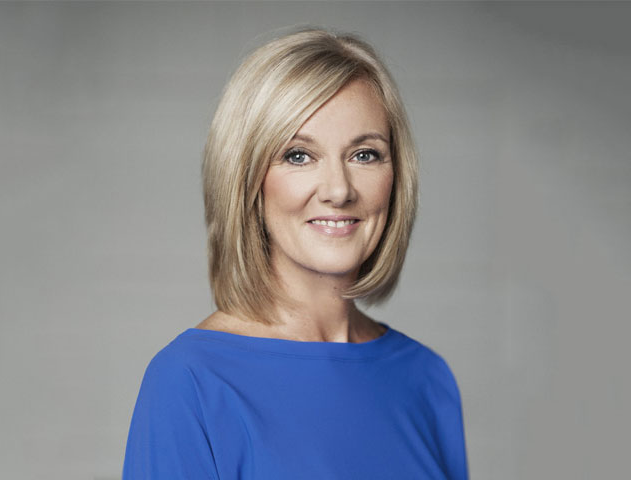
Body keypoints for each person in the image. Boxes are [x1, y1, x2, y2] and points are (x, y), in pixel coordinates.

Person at [122, 28, 468, 480]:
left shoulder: (426, 379)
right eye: (299, 156)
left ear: (396, 175)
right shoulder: (191, 380)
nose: (339, 190)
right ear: (247, 178)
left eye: (365, 154)